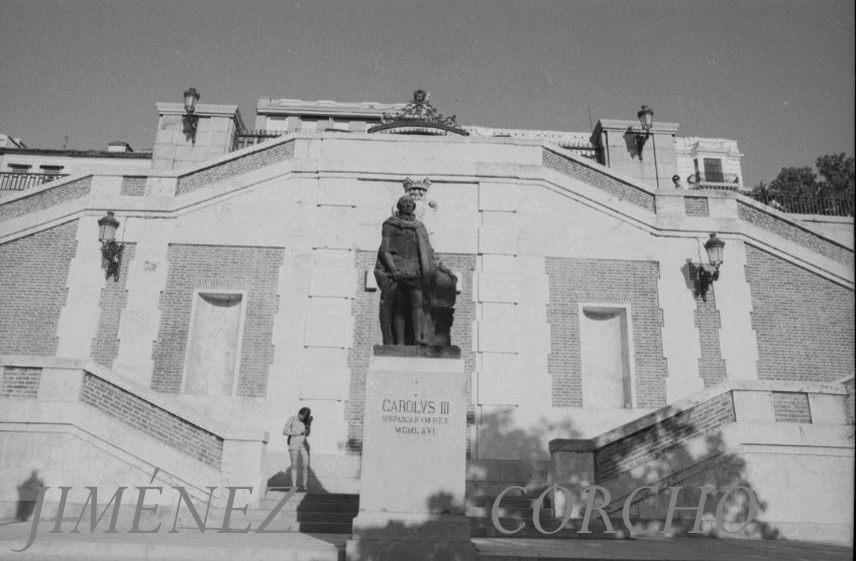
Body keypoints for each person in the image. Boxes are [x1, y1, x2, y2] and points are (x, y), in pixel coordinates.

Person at [283, 407, 312, 492]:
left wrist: (309, 424)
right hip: (294, 443)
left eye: (304, 417)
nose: (302, 418)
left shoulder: (306, 421)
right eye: (302, 416)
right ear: (300, 413)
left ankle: (304, 485)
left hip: (303, 444)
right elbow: (284, 431)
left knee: (306, 465)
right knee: (294, 464)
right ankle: (294, 485)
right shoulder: (292, 419)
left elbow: (308, 434)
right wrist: (295, 433)